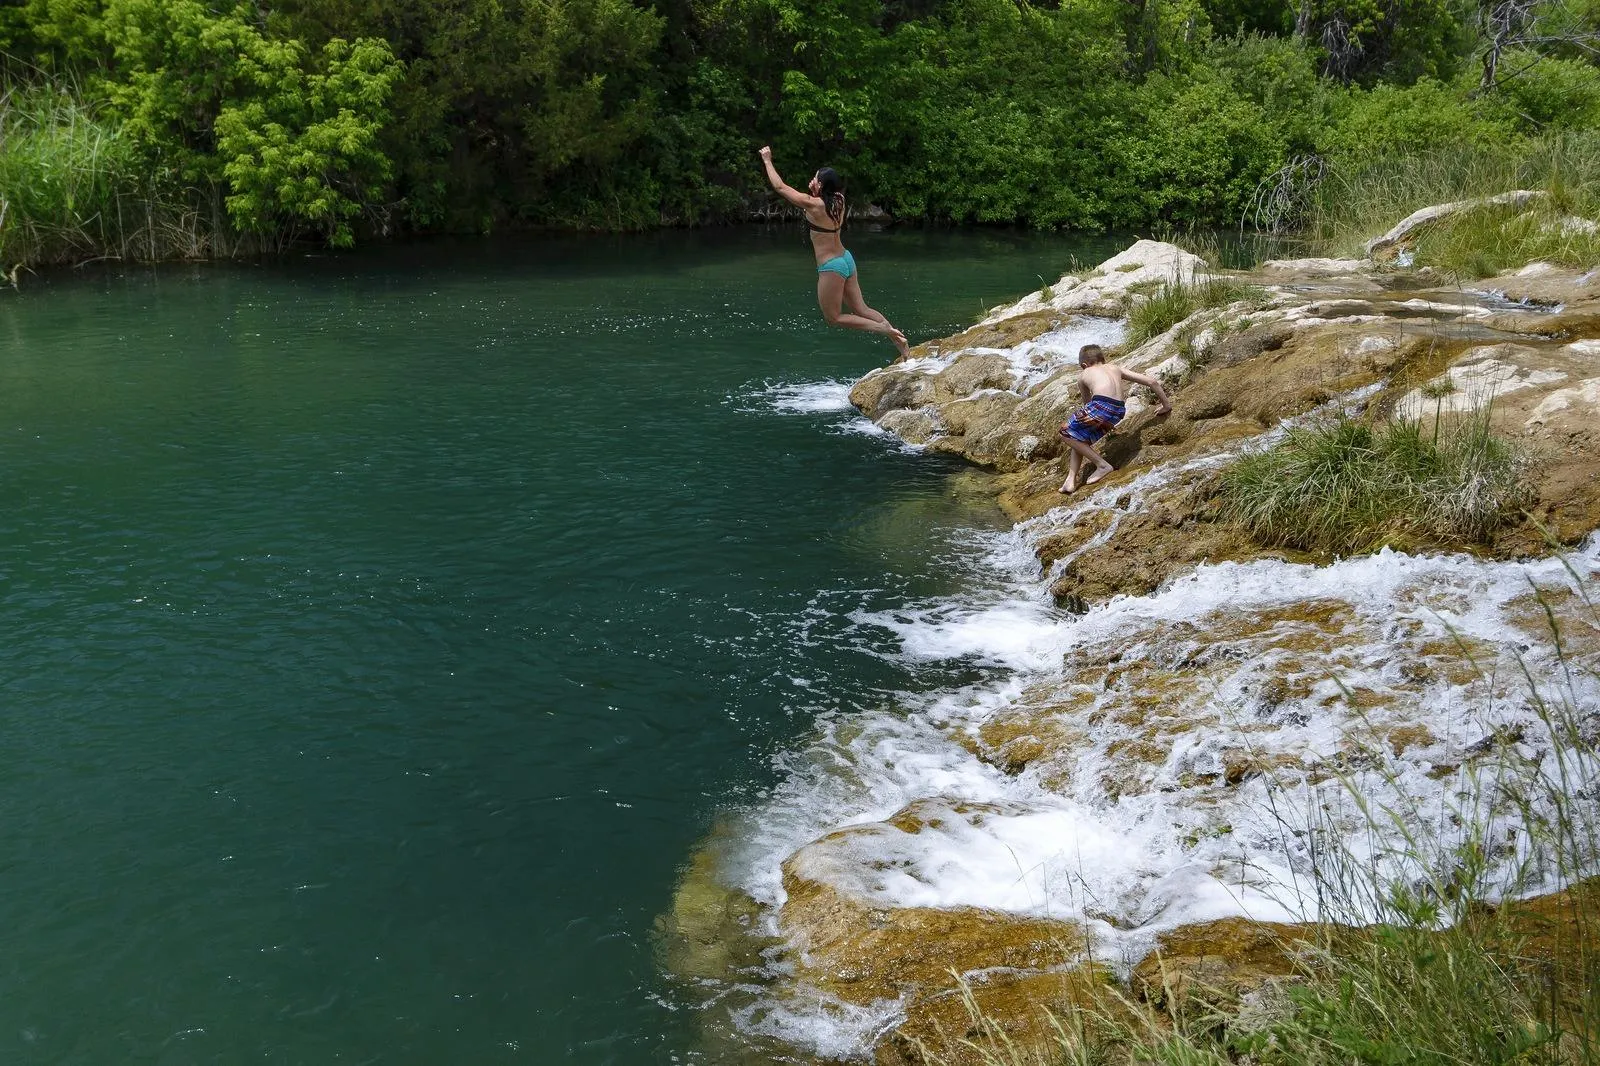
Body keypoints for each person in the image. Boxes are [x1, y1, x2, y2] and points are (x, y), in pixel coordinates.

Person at [758, 146, 910, 358]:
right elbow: (820, 207)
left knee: (833, 318)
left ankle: (884, 330)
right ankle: (899, 342)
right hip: (846, 259)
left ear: (820, 185)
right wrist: (815, 191)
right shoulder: (839, 199)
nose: (812, 180)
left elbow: (780, 187)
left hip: (831, 266)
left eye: (815, 178)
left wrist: (767, 161)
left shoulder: (814, 205)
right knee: (862, 309)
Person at [1058, 344, 1171, 493]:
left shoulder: (1085, 374)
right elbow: (1152, 382)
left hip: (1100, 406)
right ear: (1102, 359)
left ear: (1084, 365)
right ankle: (1070, 481)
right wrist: (1166, 405)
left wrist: (1094, 419)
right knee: (1079, 436)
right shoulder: (1115, 368)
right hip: (1119, 410)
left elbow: (1087, 405)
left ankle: (1102, 465)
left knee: (1065, 432)